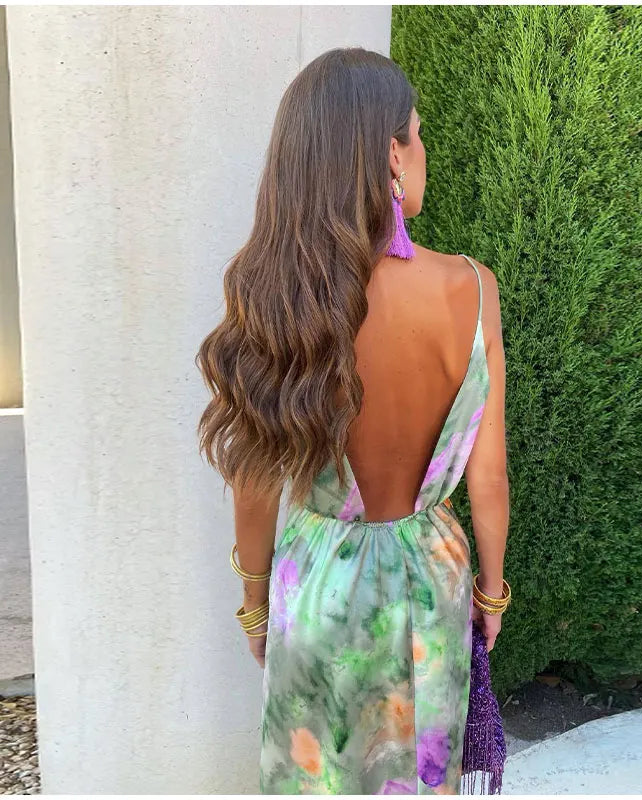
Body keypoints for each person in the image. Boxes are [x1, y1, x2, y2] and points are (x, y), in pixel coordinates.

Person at [196, 46, 510, 795]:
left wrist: (254, 603)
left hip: (318, 585)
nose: (425, 151)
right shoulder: (471, 287)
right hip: (430, 582)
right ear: (392, 156)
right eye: (419, 133)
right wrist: (491, 593)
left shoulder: (275, 296)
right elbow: (489, 476)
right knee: (419, 775)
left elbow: (254, 478)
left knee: (318, 776)